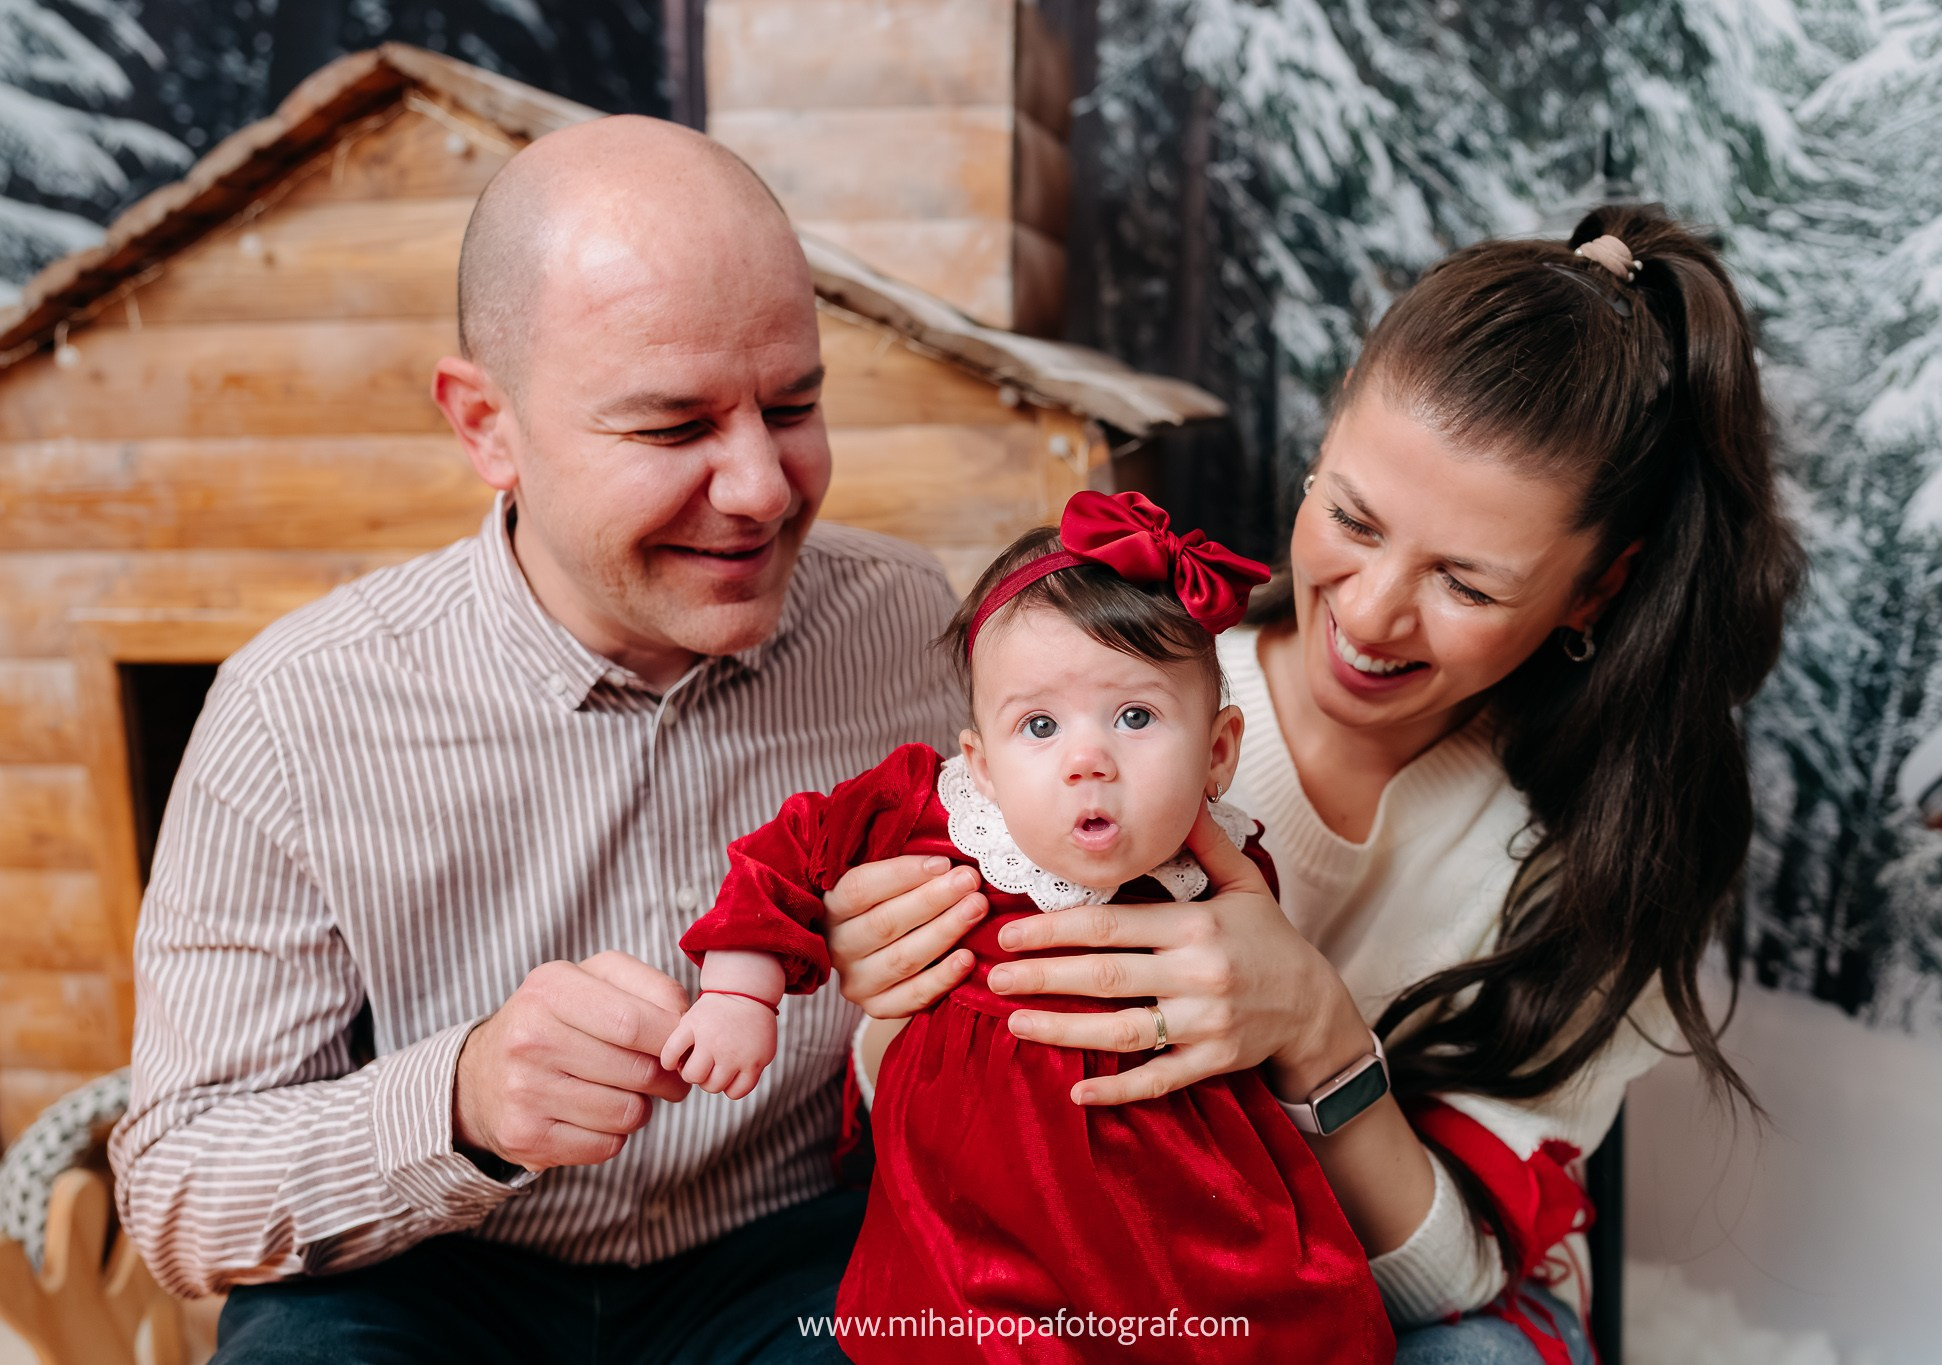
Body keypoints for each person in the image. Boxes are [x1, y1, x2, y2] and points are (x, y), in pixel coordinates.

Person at [825, 205, 1802, 1365]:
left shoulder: (1605, 853)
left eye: (1467, 584)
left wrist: (1315, 1034)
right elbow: (932, 1151)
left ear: (1594, 591)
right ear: (1320, 445)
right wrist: (897, 1000)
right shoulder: (1115, 708)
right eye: (1349, 518)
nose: (1372, 612)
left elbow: (1456, 1283)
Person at [109, 116, 964, 1363]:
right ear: (485, 428)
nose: (763, 490)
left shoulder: (906, 625)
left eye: (793, 404)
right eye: (673, 428)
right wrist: (461, 1101)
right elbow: (180, 1201)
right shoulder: (292, 709)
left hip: (793, 1256)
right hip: (424, 1278)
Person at [666, 491, 1395, 1364]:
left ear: (1218, 752)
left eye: (1135, 716)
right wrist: (740, 991)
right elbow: (790, 851)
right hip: (978, 1208)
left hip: (1175, 1209)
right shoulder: (936, 814)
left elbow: (1256, 1018)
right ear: (981, 761)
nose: (1087, 758)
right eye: (1039, 726)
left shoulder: (1225, 871)